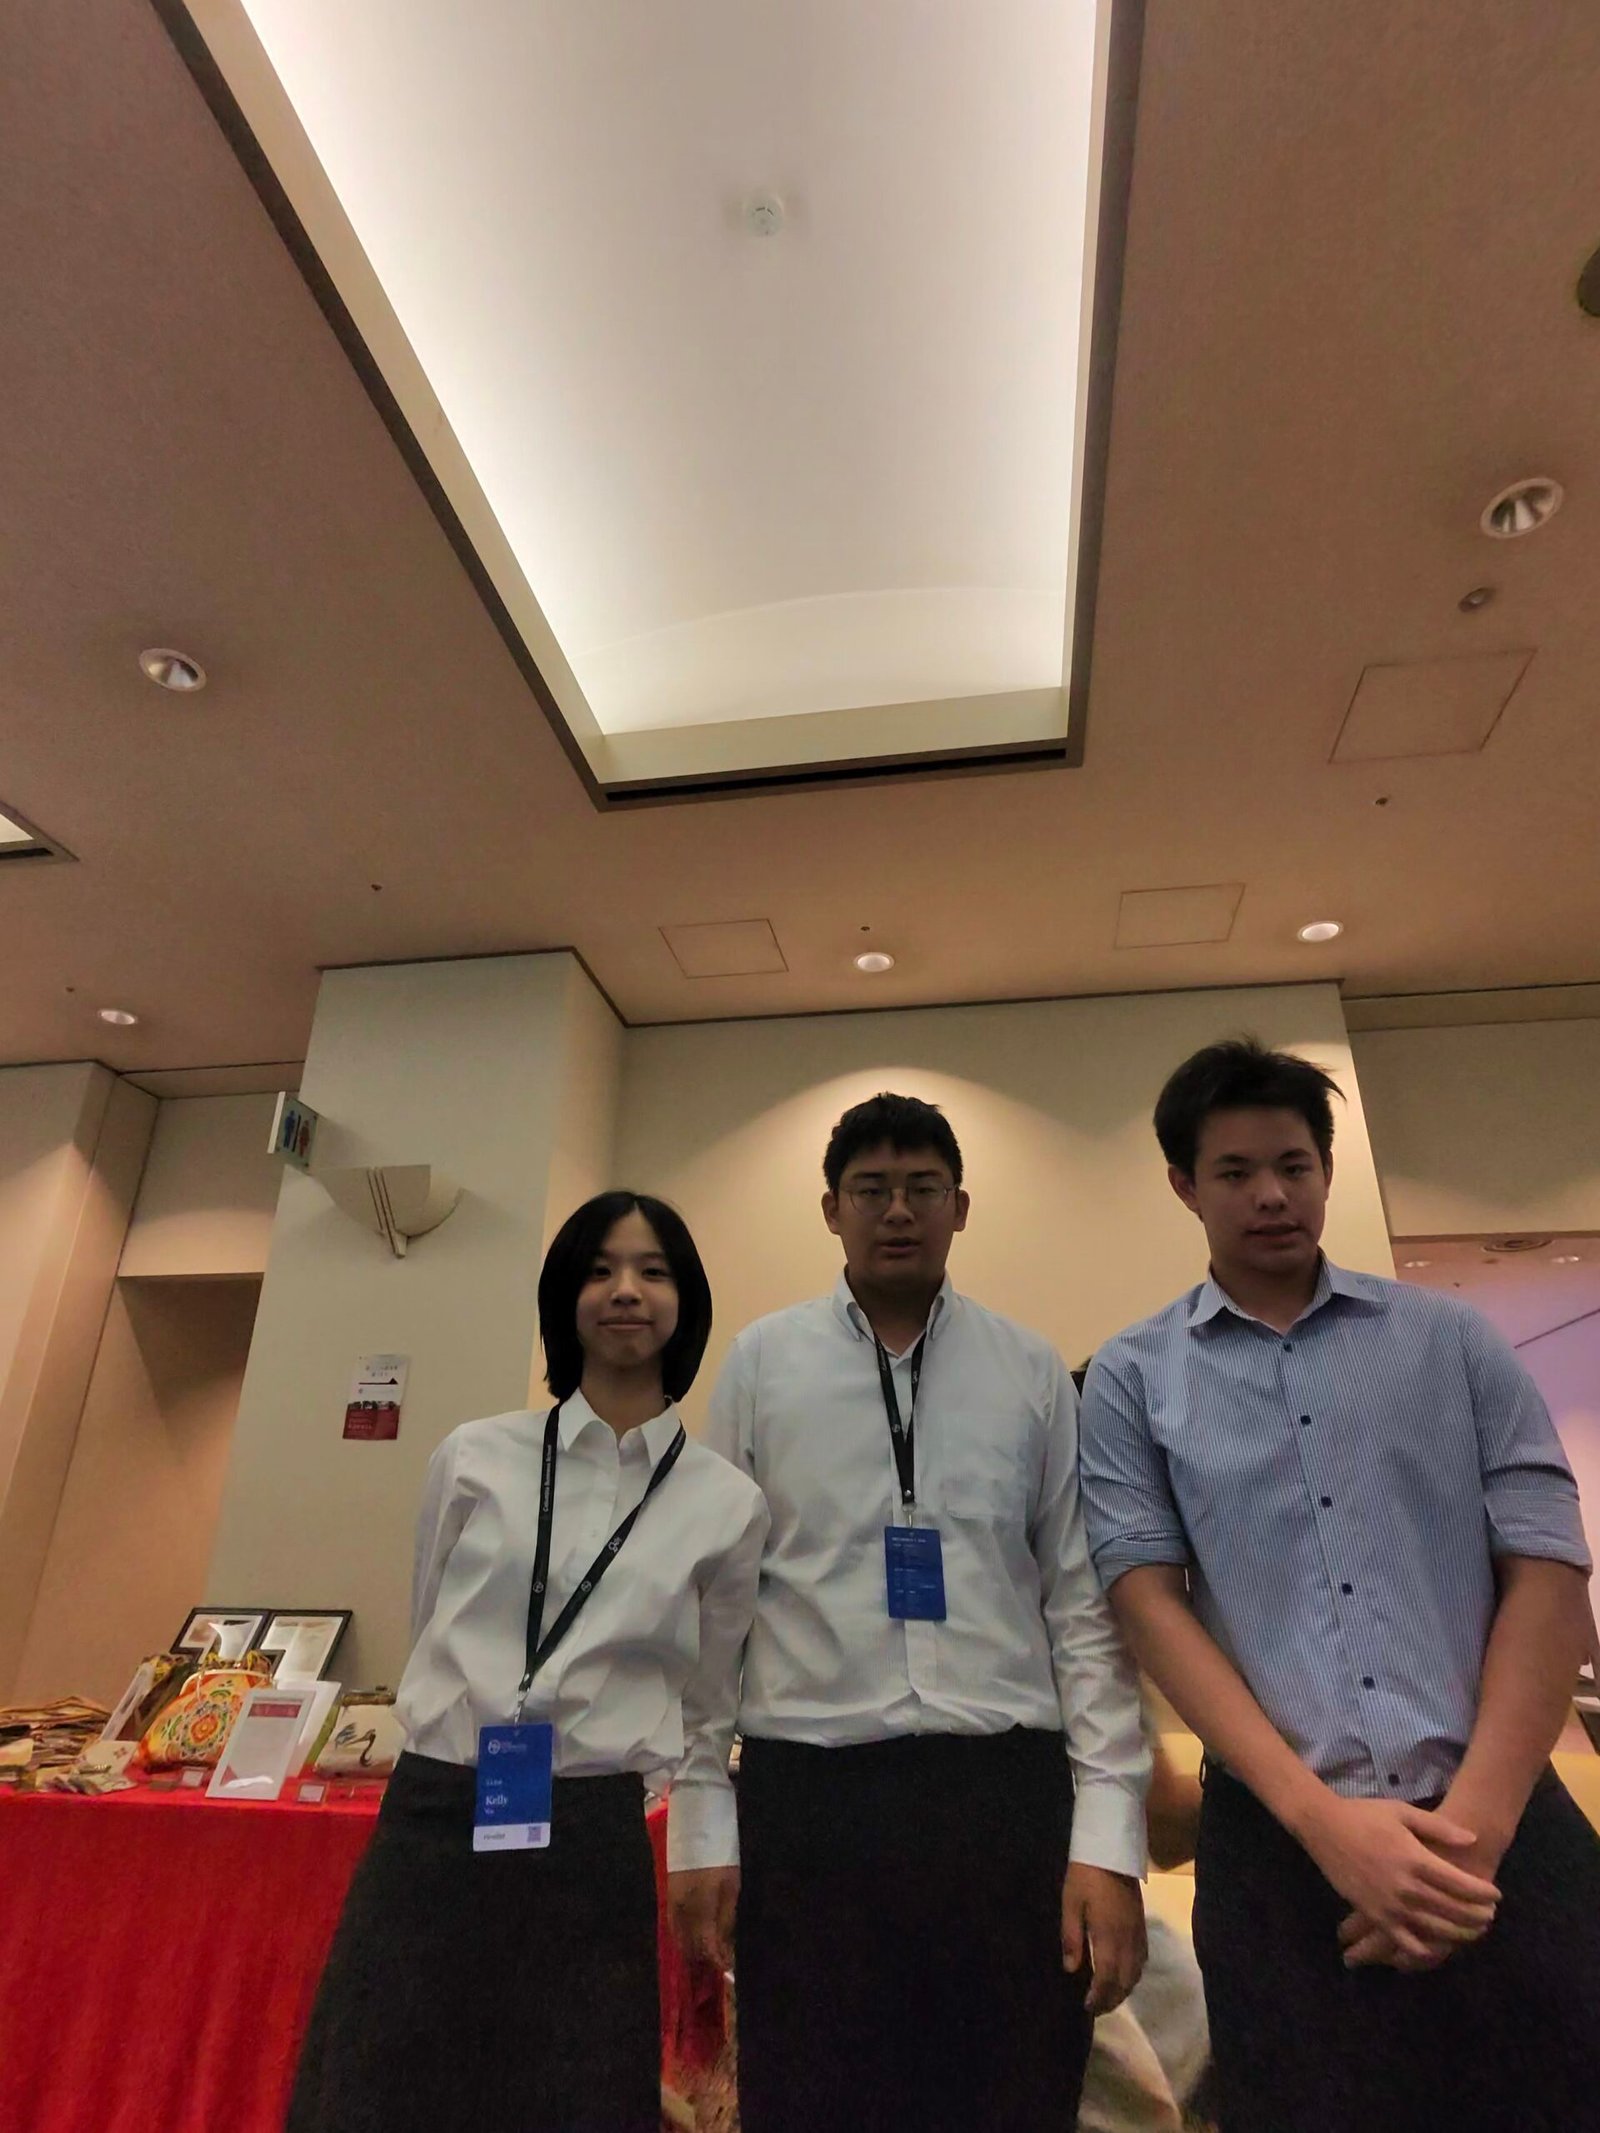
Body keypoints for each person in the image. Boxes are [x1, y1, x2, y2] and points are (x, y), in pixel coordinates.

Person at [1079, 1038, 1600, 2133]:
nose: (1271, 1194)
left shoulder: (1452, 1340)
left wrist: (1468, 1845)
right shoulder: (1131, 1376)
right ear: (1184, 1185)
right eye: (1234, 1172)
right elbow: (1148, 1604)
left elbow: (1549, 1573)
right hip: (1280, 1851)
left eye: (1294, 1165)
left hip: (1502, 1825)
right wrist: (1324, 1827)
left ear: (1325, 1169)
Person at [667, 1091, 1149, 2133]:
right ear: (830, 1210)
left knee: (1013, 2100)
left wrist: (1108, 1840)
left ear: (961, 1208)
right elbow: (719, 1607)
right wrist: (700, 1817)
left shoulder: (1029, 1368)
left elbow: (1079, 1606)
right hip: (812, 1806)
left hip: (1004, 1804)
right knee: (816, 2103)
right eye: (871, 1189)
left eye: (923, 1188)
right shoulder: (762, 1363)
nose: (897, 1210)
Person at [288, 1191, 769, 2133]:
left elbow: (711, 1705)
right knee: (377, 2092)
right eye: (599, 1269)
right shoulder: (477, 1455)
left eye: (653, 1271)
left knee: (571, 2100)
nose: (625, 1290)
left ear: (686, 1301)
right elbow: (431, 1620)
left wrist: (706, 1841)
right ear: (564, 1298)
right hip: (436, 1813)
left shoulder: (727, 1502)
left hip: (591, 1833)